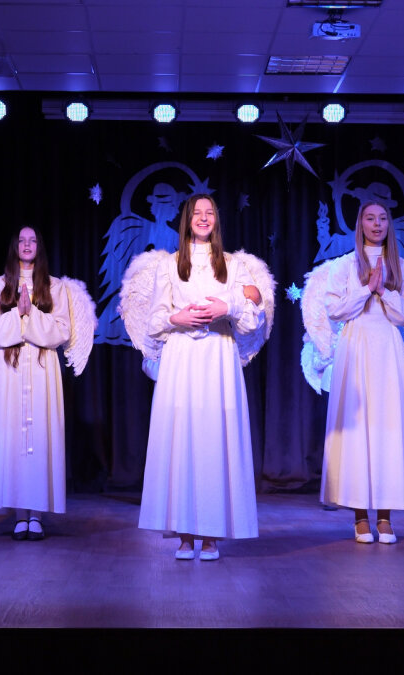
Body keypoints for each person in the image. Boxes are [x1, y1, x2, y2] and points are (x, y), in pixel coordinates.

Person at [130, 194, 273, 560]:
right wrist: (176, 317)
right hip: (181, 357)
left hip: (217, 357)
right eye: (198, 212)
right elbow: (154, 319)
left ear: (217, 220)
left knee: (214, 440)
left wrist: (229, 306)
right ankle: (184, 534)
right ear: (187, 219)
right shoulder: (169, 265)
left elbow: (251, 316)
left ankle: (210, 535)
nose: (204, 218)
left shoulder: (233, 265)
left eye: (210, 212)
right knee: (182, 439)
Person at [0, 227, 95, 540]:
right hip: (10, 371)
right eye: (22, 240)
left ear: (39, 247)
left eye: (33, 240)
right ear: (15, 246)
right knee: (13, 439)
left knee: (40, 438)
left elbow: (62, 331)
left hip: (43, 369)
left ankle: (37, 514)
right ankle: (21, 514)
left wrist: (29, 313)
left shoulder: (55, 286)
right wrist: (16, 316)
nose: (27, 244)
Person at [318, 201, 404, 544]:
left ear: (389, 224)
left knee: (387, 427)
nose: (377, 224)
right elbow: (335, 310)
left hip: (388, 349)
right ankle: (360, 516)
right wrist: (366, 289)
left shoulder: (403, 268)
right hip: (356, 346)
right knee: (358, 428)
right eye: (370, 218)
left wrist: (384, 291)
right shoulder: (345, 265)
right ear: (360, 224)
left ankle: (386, 516)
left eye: (382, 218)